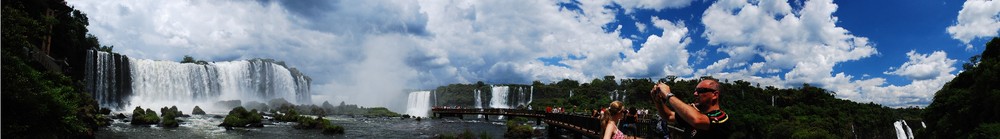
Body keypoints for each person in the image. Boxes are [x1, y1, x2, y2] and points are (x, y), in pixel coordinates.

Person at [650, 77, 732, 139]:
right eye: (695, 90)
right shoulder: (696, 116)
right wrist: (657, 100)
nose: (695, 94)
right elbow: (668, 116)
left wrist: (668, 94)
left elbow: (697, 120)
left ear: (715, 95)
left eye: (700, 90)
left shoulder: (721, 118)